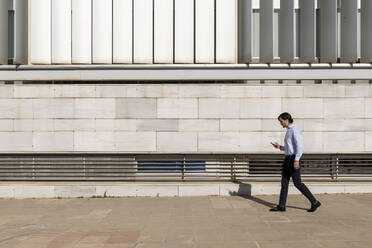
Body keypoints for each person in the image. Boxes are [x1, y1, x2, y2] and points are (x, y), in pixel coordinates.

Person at [270, 112, 321, 212]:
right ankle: (281, 205)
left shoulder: (294, 131)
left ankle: (314, 202)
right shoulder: (288, 131)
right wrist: (280, 147)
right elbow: (290, 148)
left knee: (297, 183)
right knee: (284, 182)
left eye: (281, 121)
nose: (280, 123)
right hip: (287, 159)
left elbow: (300, 147)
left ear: (286, 120)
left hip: (293, 159)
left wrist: (296, 160)